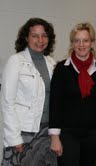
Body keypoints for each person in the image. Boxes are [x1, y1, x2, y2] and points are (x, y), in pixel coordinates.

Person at [0, 17, 58, 166]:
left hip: (47, 132)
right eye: (34, 35)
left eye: (44, 35)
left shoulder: (52, 63)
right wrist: (14, 137)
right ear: (26, 38)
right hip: (23, 132)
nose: (40, 40)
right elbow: (7, 102)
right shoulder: (15, 61)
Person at [48, 22, 96, 166]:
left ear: (92, 43)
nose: (81, 45)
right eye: (77, 40)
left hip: (93, 132)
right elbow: (54, 103)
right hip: (68, 133)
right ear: (72, 43)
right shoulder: (61, 68)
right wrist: (55, 137)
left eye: (85, 40)